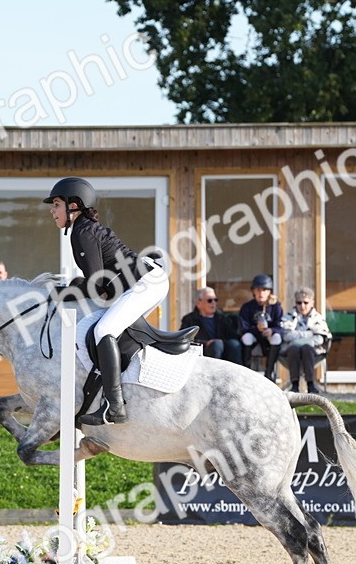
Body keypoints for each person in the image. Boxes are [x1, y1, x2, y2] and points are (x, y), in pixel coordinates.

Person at [44, 177, 169, 425]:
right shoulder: (83, 230)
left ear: (74, 205)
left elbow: (95, 286)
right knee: (105, 327)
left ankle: (114, 406)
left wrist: (57, 295)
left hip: (145, 283)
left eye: (56, 204)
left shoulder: (82, 232)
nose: (52, 210)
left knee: (104, 330)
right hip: (143, 280)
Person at [280, 287, 332, 394]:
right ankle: (294, 385)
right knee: (294, 349)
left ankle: (310, 384)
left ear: (312, 303)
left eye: (305, 302)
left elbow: (320, 339)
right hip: (291, 351)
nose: (302, 306)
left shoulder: (318, 318)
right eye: (299, 303)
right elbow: (286, 336)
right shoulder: (288, 317)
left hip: (314, 352)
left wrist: (297, 336)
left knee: (306, 348)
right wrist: (309, 334)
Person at [238, 274, 284, 379]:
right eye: (258, 290)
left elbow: (280, 325)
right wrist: (256, 329)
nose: (261, 293)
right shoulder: (247, 307)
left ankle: (269, 374)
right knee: (246, 337)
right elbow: (243, 328)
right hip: (253, 338)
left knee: (277, 337)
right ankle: (247, 373)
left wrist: (271, 330)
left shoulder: (275, 306)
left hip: (269, 339)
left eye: (264, 290)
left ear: (269, 292)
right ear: (253, 291)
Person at [180, 286, 241, 363]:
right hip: (203, 354)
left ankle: (236, 372)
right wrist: (206, 343)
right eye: (209, 300)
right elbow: (184, 340)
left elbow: (232, 335)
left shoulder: (223, 318)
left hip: (224, 353)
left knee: (234, 344)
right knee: (216, 345)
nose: (213, 303)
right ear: (198, 303)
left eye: (215, 300)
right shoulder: (189, 319)